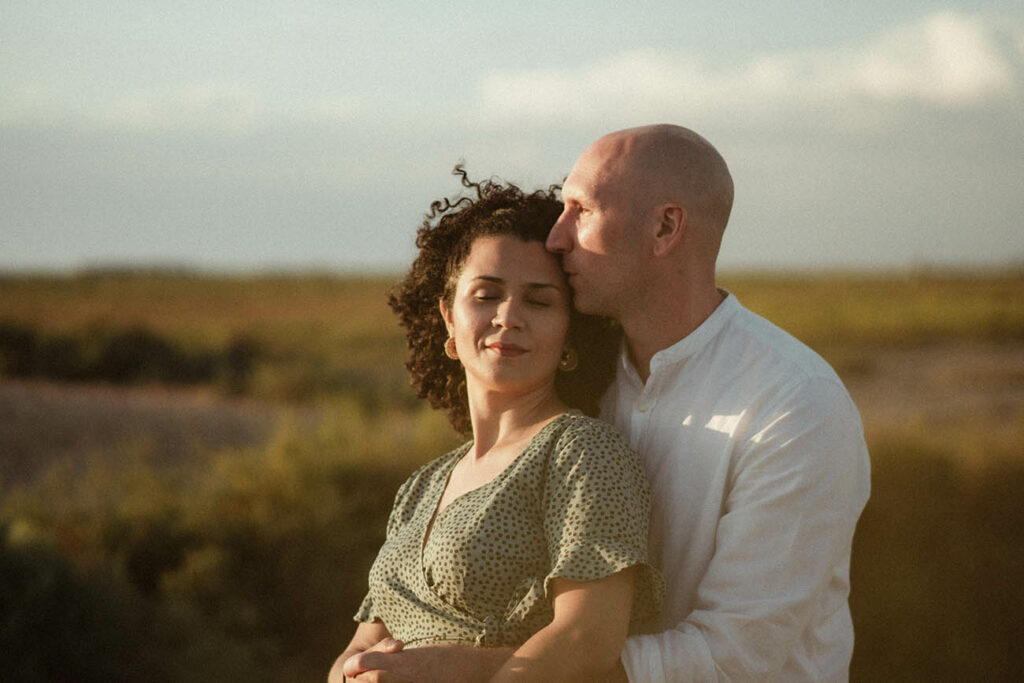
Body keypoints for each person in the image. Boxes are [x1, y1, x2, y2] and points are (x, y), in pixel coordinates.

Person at [337, 125, 871, 682]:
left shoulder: (794, 403)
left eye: (580, 210)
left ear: (664, 227)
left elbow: (732, 656)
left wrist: (469, 671)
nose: (556, 237)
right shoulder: (583, 382)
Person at [328, 168, 663, 683]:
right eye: (486, 294)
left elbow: (587, 642)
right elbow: (359, 647)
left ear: (570, 332)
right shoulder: (421, 486)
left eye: (539, 300)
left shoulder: (582, 453)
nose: (508, 316)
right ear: (447, 317)